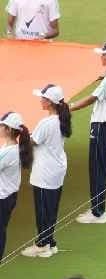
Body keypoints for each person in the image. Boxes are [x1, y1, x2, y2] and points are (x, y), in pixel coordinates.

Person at [69, 42, 106, 224]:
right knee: (98, 168)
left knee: (97, 168)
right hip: (105, 127)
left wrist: (69, 107)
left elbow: (92, 98)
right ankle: (97, 209)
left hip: (103, 127)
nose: (101, 57)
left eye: (104, 55)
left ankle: (98, 212)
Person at [21, 84, 69, 259]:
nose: (40, 100)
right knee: (51, 208)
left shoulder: (46, 122)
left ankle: (42, 244)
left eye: (43, 98)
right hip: (56, 169)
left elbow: (31, 143)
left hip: (45, 171)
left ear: (49, 102)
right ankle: (50, 241)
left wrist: (22, 133)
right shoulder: (61, 120)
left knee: (42, 209)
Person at [0, 111, 33, 257]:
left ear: (8, 129)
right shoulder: (13, 149)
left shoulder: (8, 152)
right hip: (8, 196)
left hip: (3, 198)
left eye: (2, 125)